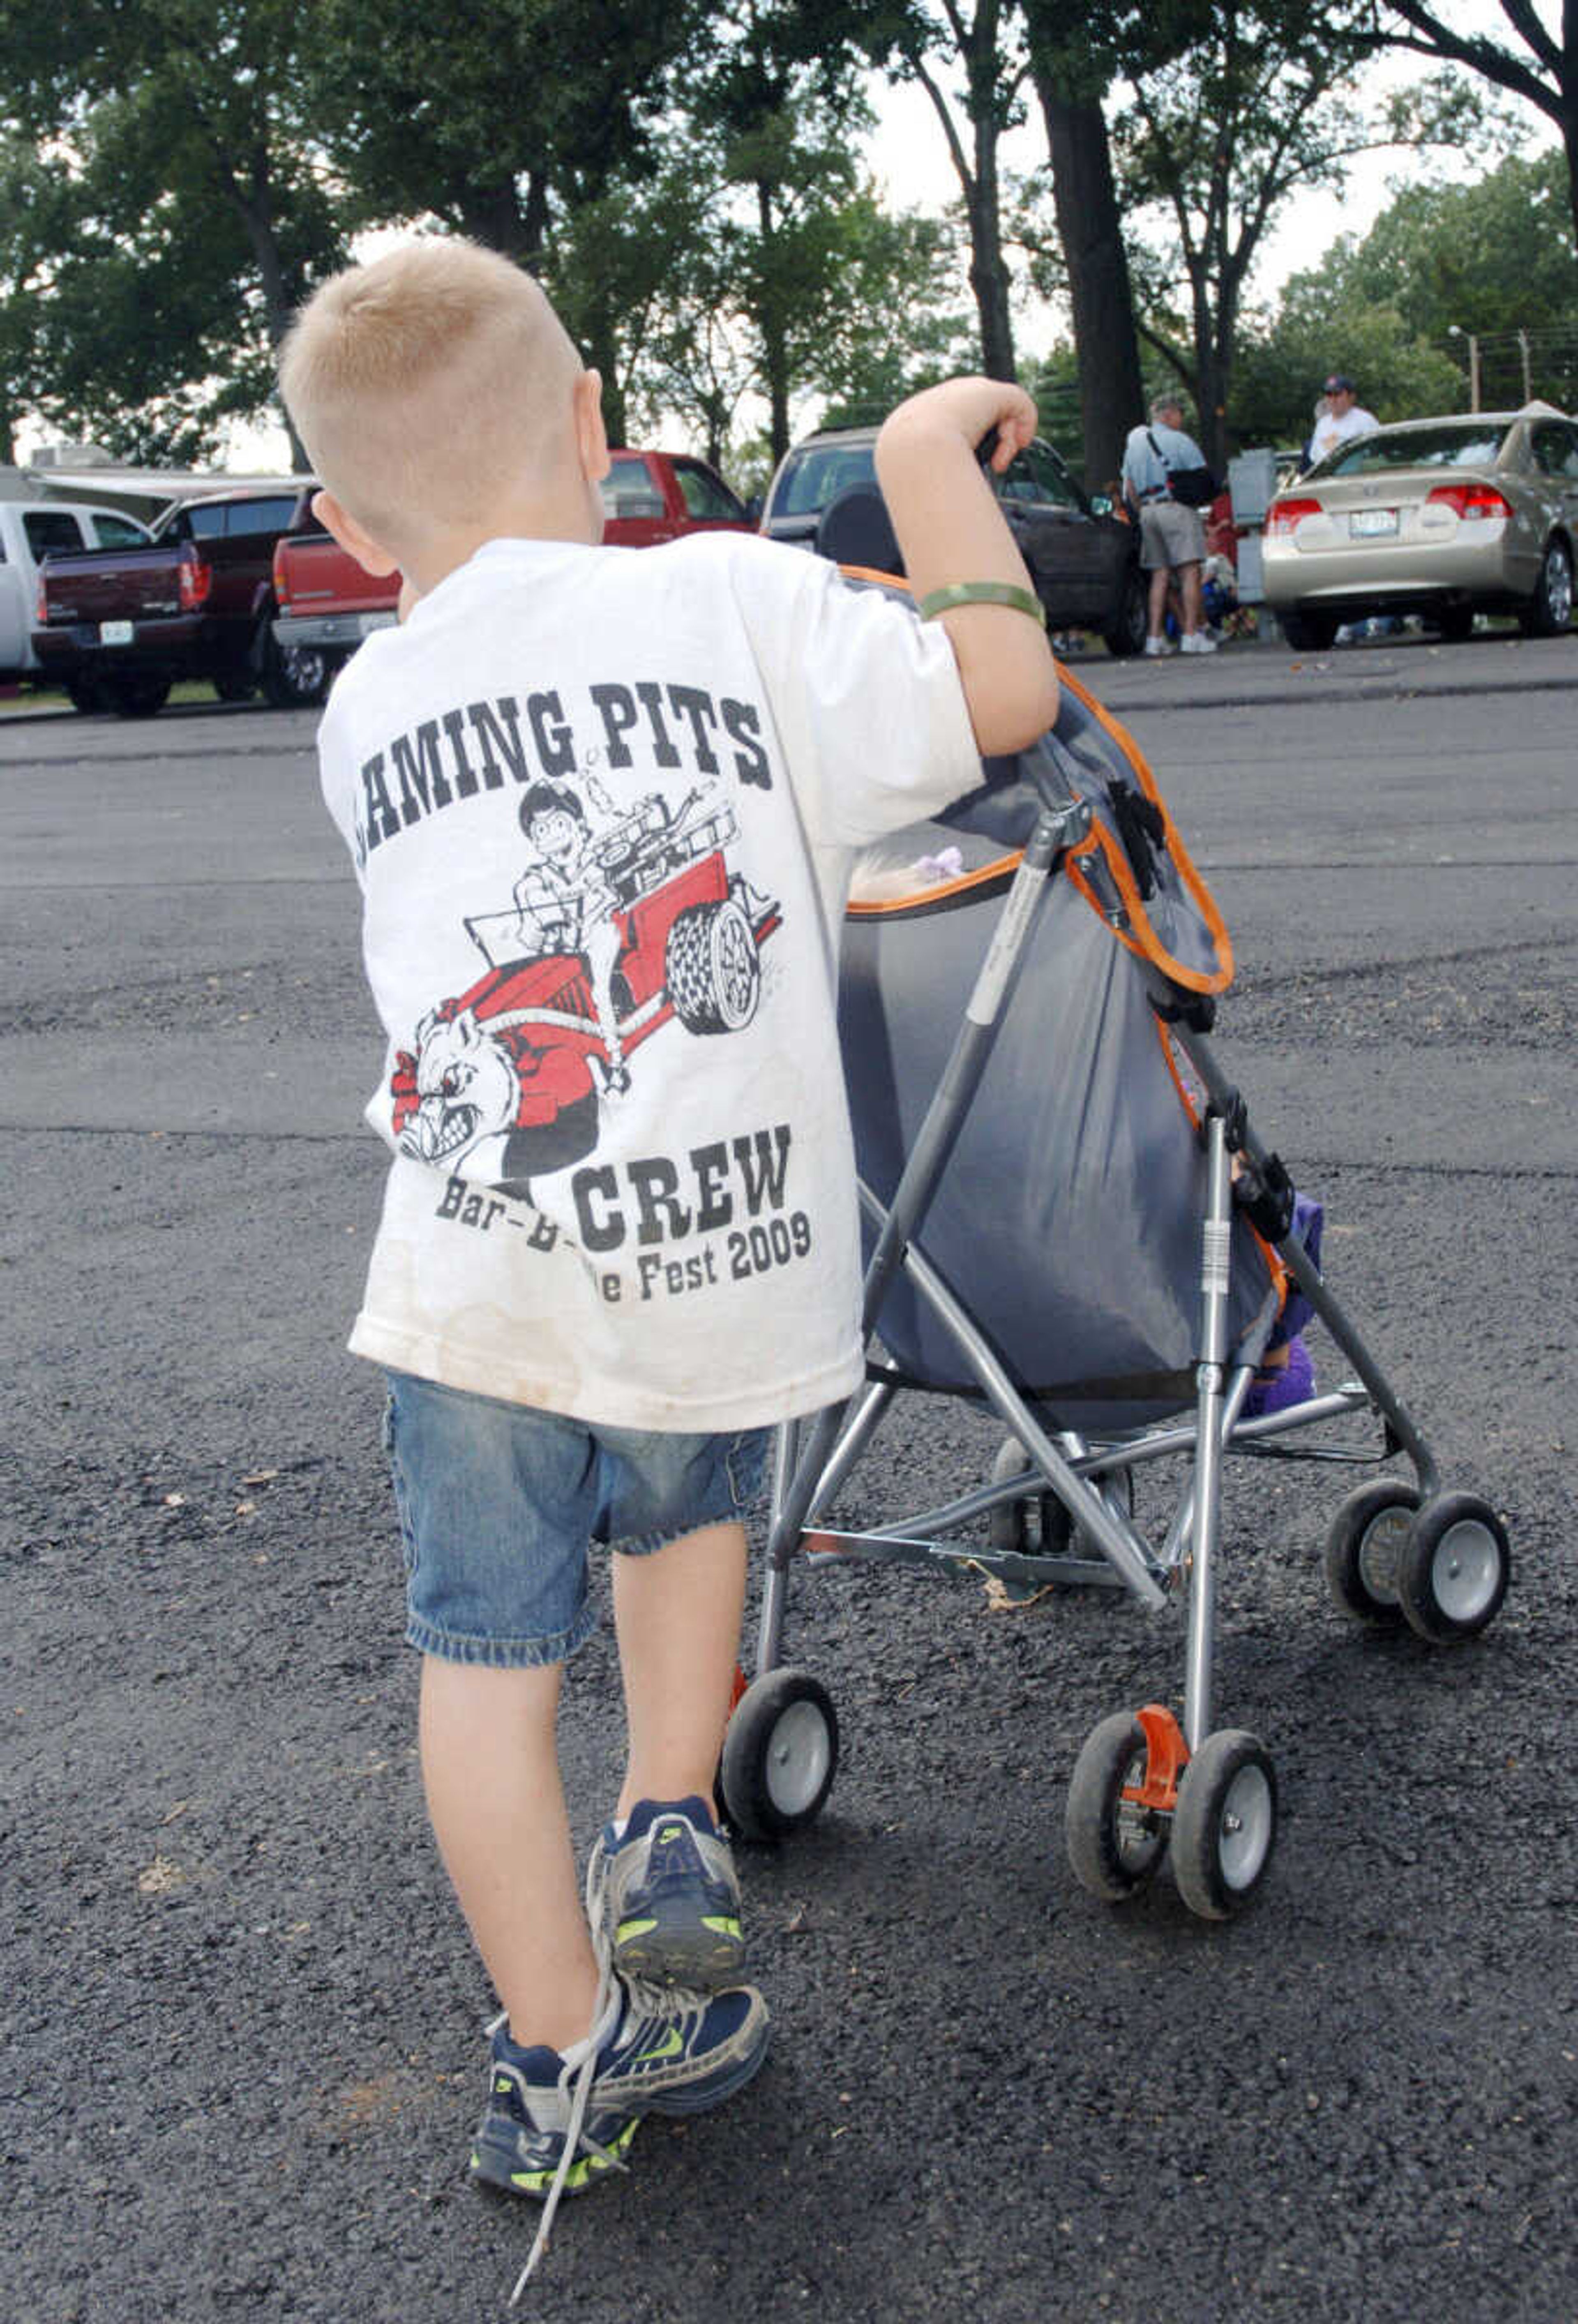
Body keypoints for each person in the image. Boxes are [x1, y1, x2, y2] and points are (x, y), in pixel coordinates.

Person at [277, 239, 1059, 2283]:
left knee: (478, 1662)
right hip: (723, 1259)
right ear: (599, 430)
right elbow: (1002, 694)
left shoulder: (364, 703)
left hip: (475, 1274)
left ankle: (562, 2049)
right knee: (694, 1477)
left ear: (347, 530)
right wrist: (913, 458)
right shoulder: (728, 589)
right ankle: (672, 1804)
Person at [1120, 390, 1217, 657]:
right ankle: (1191, 635)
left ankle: (1154, 638)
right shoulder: (1180, 441)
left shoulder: (1135, 446)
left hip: (1148, 512)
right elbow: (1202, 475)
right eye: (1179, 414)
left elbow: (1129, 488)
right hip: (1175, 508)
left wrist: (1142, 513)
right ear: (1169, 414)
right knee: (1189, 572)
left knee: (1159, 575)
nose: (1180, 420)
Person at [1308, 372, 1379, 465]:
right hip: (1326, 477)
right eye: (1329, 395)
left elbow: (1377, 455)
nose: (1333, 400)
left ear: (1352, 397)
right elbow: (1315, 458)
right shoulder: (1322, 424)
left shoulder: (1365, 421)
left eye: (1338, 394)